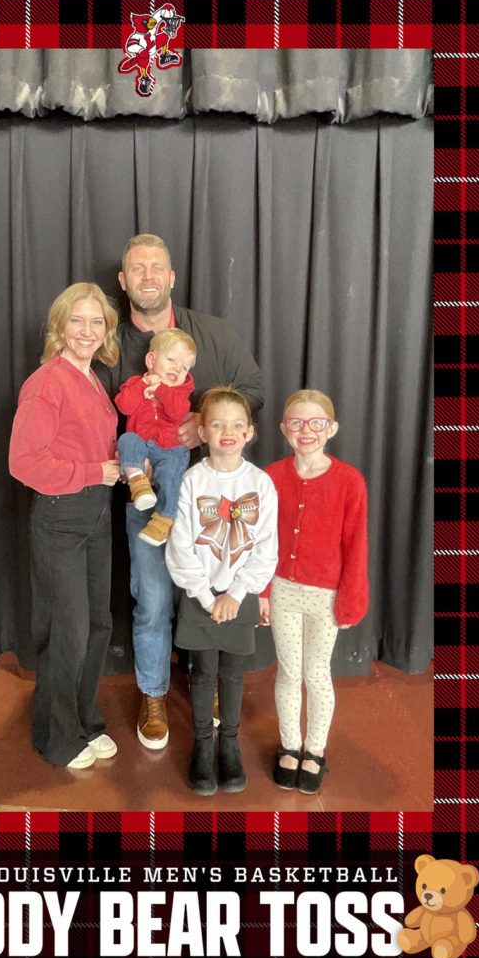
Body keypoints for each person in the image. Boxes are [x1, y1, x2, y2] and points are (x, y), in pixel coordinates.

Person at [96, 233, 263, 750]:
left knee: (205, 590)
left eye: (157, 268)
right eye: (137, 268)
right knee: (152, 600)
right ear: (123, 281)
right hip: (143, 498)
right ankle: (153, 693)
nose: (148, 277)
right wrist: (126, 455)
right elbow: (91, 413)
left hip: (206, 495)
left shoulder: (212, 333)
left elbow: (253, 390)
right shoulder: (108, 342)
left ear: (171, 277)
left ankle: (202, 682)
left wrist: (201, 418)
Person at [9, 283, 122, 770]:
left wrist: (125, 466)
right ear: (59, 326)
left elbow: (93, 448)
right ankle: (57, 737)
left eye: (97, 321)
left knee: (98, 624)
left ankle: (84, 720)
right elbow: (24, 463)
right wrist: (96, 472)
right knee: (68, 631)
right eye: (77, 320)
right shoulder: (47, 383)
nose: (87, 330)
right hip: (61, 518)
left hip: (97, 513)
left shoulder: (93, 378)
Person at [165, 388, 278, 794]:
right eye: (217, 424)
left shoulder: (260, 484)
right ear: (203, 432)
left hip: (239, 595)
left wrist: (237, 593)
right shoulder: (192, 481)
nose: (227, 432)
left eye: (236, 425)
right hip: (201, 595)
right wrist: (207, 596)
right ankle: (202, 743)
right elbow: (180, 544)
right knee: (202, 671)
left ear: (249, 432)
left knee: (232, 672)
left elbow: (266, 547)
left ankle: (229, 743)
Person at [261, 389, 368, 794]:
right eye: (297, 423)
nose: (306, 430)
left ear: (331, 428)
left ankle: (315, 749)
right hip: (283, 591)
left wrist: (351, 599)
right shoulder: (271, 477)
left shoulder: (349, 481)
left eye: (316, 423)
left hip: (326, 595)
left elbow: (355, 544)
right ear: (284, 428)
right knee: (289, 671)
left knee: (317, 673)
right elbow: (261, 541)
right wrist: (262, 591)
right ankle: (290, 745)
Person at [115, 329, 197, 546]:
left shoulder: (180, 393)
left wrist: (160, 389)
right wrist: (143, 385)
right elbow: (124, 406)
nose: (177, 368)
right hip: (141, 448)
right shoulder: (136, 383)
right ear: (151, 360)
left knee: (171, 475)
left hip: (170, 449)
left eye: (184, 367)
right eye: (171, 360)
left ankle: (164, 519)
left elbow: (177, 412)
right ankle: (139, 483)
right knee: (127, 439)